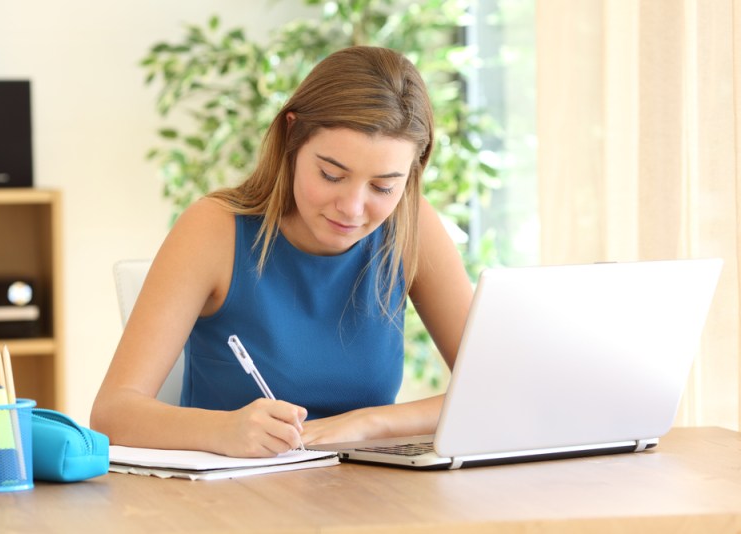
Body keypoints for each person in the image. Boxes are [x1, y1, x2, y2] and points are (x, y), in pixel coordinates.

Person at [90, 46, 473, 458]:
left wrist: (365, 422)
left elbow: (500, 390)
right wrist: (224, 429)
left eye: (383, 187)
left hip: (363, 500)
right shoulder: (214, 229)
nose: (352, 207)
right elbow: (113, 412)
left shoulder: (411, 224)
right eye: (331, 174)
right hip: (233, 502)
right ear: (292, 134)